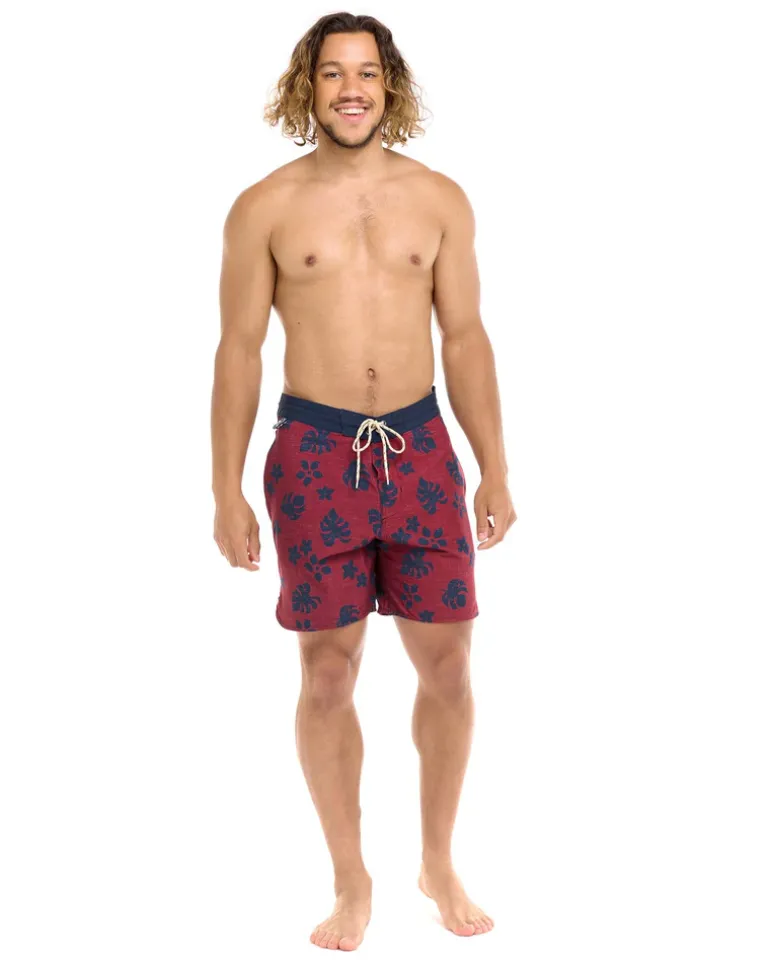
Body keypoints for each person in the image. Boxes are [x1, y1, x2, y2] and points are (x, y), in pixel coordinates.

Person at [211, 12, 516, 952]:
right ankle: (351, 877)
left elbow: (464, 337)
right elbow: (238, 351)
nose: (352, 89)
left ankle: (437, 859)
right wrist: (225, 488)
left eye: (368, 73)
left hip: (419, 448)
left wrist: (494, 465)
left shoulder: (439, 199)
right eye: (334, 73)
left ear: (391, 86)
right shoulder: (263, 206)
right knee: (328, 672)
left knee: (450, 666)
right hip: (313, 452)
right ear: (307, 86)